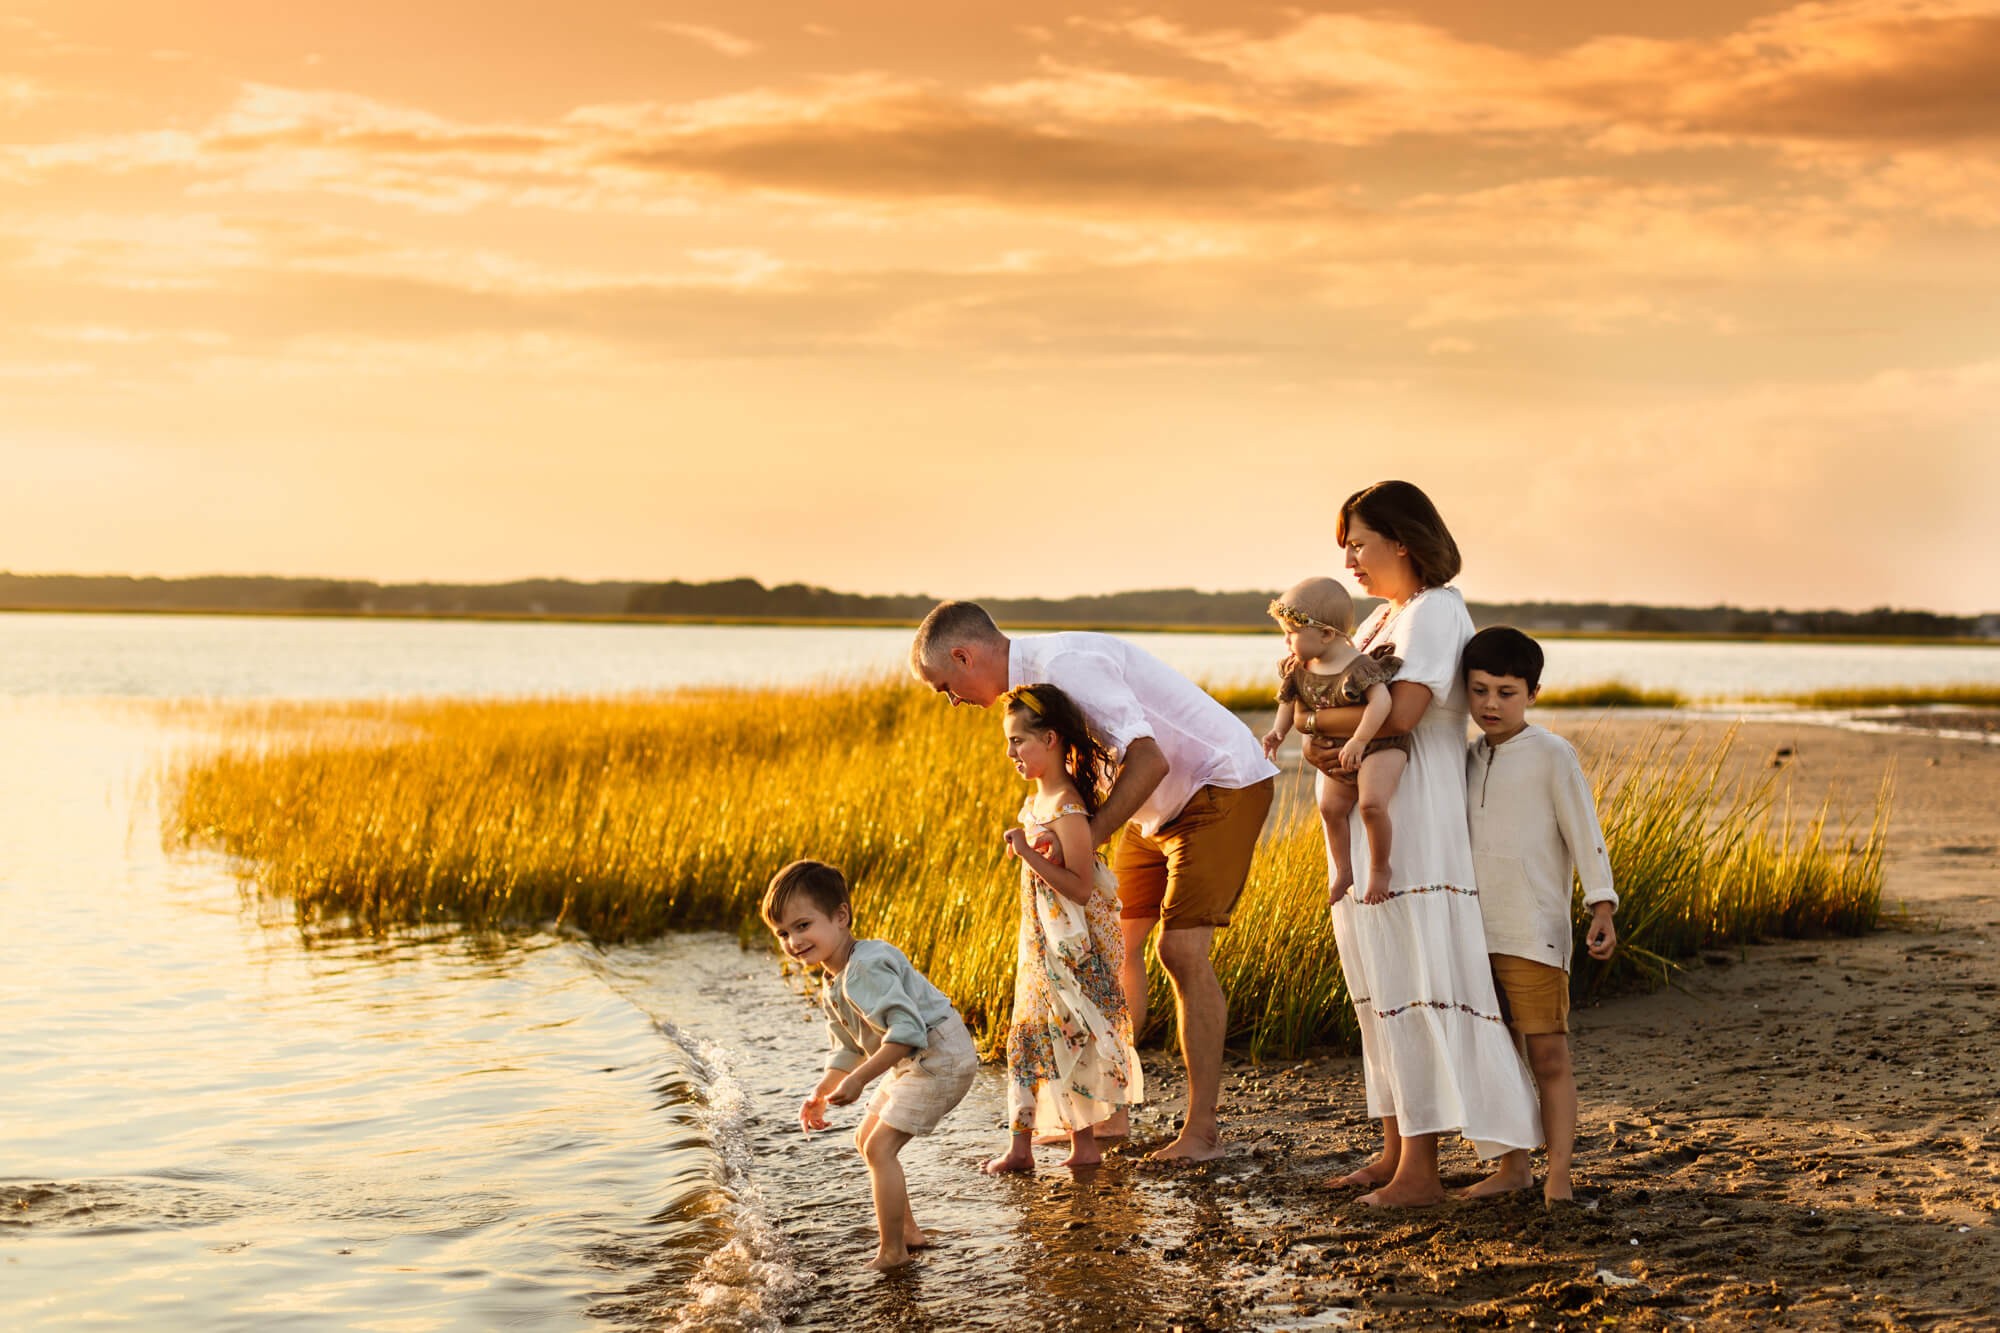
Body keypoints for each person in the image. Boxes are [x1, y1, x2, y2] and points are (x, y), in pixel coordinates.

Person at [909, 602, 1277, 1162]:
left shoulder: (1067, 665)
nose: (952, 700)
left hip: (1218, 785)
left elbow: (1148, 760)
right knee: (1110, 949)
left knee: (1179, 951)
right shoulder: (1033, 692)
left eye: (945, 686)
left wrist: (1088, 838)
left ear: (964, 656)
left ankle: (1201, 1133)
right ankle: (1105, 1114)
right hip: (1152, 813)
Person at [1297, 480, 1541, 1206]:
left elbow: (1399, 711)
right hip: (1375, 820)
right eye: (1344, 545)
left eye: (1360, 542)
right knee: (1382, 989)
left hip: (1416, 818)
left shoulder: (1437, 610)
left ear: (1403, 540)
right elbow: (1335, 704)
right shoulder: (1379, 620)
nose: (1349, 558)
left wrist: (1314, 729)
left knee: (1423, 982)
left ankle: (1424, 1172)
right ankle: (1396, 1147)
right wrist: (1321, 734)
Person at [1458, 626, 1619, 1203]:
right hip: (1472, 933)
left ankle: (1559, 1174)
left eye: (1505, 691)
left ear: (1533, 693)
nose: (1490, 704)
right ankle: (1512, 1167)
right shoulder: (1466, 756)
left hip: (1533, 933)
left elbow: (1586, 834)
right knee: (1497, 1056)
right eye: (1478, 691)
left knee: (1548, 1055)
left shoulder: (1552, 754)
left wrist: (1601, 906)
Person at [763, 859, 978, 1269]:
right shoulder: (834, 981)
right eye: (783, 933)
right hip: (915, 1058)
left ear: (840, 916)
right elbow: (846, 1050)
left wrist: (861, 1080)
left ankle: (893, 1251)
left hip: (940, 1055)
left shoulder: (865, 967)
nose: (793, 941)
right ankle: (908, 1232)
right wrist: (821, 1093)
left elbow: (909, 1032)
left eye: (803, 926)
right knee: (865, 1138)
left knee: (881, 1148)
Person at [981, 683, 1144, 1174]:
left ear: (1050, 739)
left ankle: (1085, 1145)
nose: (1011, 751)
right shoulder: (1039, 798)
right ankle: (1021, 1147)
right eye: (1008, 742)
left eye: (1019, 741)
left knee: (1068, 1035)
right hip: (1039, 942)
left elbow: (1078, 888)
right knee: (1028, 1034)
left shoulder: (1068, 807)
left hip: (1072, 948)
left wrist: (1029, 855)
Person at [1261, 575, 1408, 905]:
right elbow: (1288, 700)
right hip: (1342, 752)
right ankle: (1344, 871)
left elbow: (1382, 703)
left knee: (1372, 804)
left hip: (1378, 746)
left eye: (1291, 634)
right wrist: (1278, 733)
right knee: (1330, 807)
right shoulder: (1300, 667)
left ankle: (1380, 868)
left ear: (1326, 634)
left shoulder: (1358, 667)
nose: (1286, 643)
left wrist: (1359, 740)